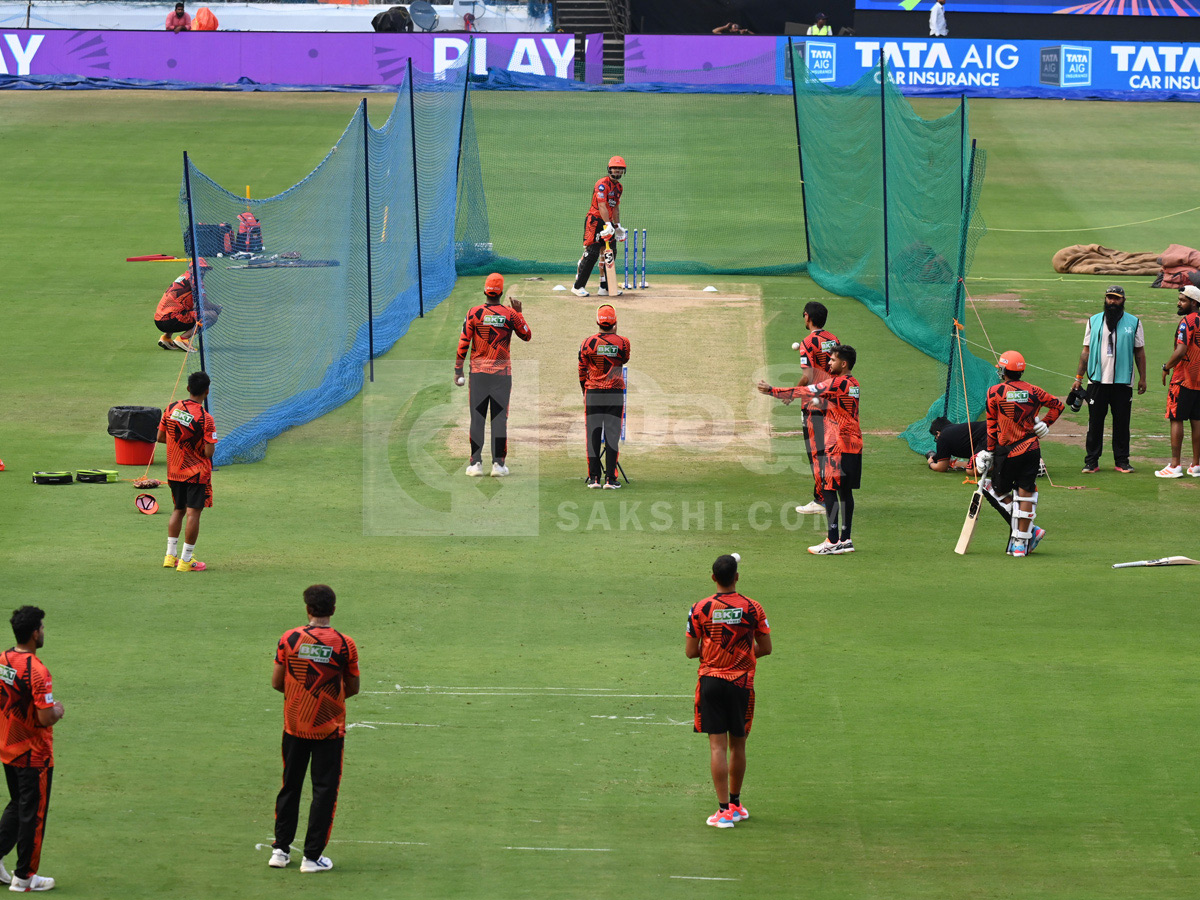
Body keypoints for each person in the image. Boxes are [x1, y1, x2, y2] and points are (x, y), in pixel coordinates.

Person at [269, 585, 359, 874]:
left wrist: (300, 697)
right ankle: (312, 857)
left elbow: (276, 682)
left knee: (290, 786)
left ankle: (280, 850)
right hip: (329, 730)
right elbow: (353, 687)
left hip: (294, 726)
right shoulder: (345, 644)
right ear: (333, 609)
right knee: (324, 791)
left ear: (307, 608)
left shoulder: (289, 638)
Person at [686, 554, 770, 829]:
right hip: (742, 684)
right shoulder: (753, 607)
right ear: (736, 577)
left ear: (713, 578)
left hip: (711, 682)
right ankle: (735, 804)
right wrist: (743, 656)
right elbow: (766, 647)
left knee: (717, 747)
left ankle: (723, 811)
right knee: (739, 744)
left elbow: (690, 652)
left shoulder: (700, 608)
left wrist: (714, 654)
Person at [759, 343, 861, 555]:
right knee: (845, 491)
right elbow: (825, 401)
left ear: (843, 363)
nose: (828, 363)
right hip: (854, 443)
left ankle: (832, 541)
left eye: (832, 360)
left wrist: (773, 391)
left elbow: (807, 389)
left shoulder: (837, 382)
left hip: (837, 445)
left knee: (829, 489)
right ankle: (846, 539)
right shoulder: (853, 384)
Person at [974, 350, 1063, 557]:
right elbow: (1057, 406)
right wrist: (1044, 424)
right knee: (1026, 492)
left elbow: (991, 426)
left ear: (1004, 370)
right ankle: (1020, 545)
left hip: (1007, 453)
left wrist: (988, 451)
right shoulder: (1034, 391)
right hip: (1031, 449)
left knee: (991, 488)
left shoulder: (994, 392)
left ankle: (1031, 531)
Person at [0, 606, 64, 893]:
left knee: (18, 806)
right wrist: (58, 710)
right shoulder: (38, 671)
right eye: (42, 627)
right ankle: (24, 877)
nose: (43, 632)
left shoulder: (3, 659)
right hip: (33, 755)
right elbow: (44, 717)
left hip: (8, 748)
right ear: (34, 632)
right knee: (33, 815)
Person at [455, 273, 532, 478]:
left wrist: (457, 370)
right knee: (499, 420)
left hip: (478, 375)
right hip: (502, 376)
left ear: (485, 290)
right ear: (501, 292)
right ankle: (498, 465)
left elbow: (464, 343)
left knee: (477, 419)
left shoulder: (474, 313)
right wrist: (519, 313)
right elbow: (526, 335)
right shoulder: (510, 314)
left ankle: (476, 464)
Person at [1072, 285, 1146, 474]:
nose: (1112, 302)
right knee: (1094, 423)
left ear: (1123, 300)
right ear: (1105, 299)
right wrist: (1078, 378)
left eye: (1116, 298)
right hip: (1097, 381)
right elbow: (1085, 351)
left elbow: (1140, 352)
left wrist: (1142, 378)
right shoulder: (1093, 321)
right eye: (1109, 298)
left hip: (1123, 383)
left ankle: (1122, 461)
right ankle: (1091, 462)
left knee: (1122, 424)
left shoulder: (1134, 323)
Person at [157, 371, 217, 573]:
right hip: (196, 473)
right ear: (206, 391)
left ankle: (170, 556)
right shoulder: (206, 419)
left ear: (188, 388)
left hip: (174, 471)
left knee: (178, 510)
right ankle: (186, 560)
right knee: (193, 513)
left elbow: (161, 437)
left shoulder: (171, 408)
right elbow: (208, 452)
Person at [791, 303, 840, 515]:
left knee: (816, 452)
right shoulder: (834, 339)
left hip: (813, 404)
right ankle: (828, 495)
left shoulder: (807, 342)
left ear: (807, 316)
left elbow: (808, 375)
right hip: (833, 401)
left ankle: (821, 500)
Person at [579, 304, 631, 489]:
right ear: (615, 322)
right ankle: (610, 479)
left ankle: (594, 478)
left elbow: (581, 369)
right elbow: (624, 359)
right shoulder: (623, 342)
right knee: (612, 435)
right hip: (614, 393)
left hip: (593, 392)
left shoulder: (586, 343)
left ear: (597, 321)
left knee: (592, 435)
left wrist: (584, 391)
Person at [1156, 285, 1200, 478]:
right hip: (1199, 380)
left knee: (1176, 418)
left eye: (1183, 300)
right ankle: (1196, 465)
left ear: (1194, 303)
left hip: (1183, 379)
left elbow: (1181, 350)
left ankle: (1175, 466)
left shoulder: (1187, 322)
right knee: (1197, 420)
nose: (1179, 303)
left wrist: (1166, 367)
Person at [571, 157, 627, 298]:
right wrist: (607, 224)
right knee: (593, 253)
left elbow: (615, 208)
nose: (617, 171)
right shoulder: (602, 184)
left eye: (620, 169)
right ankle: (578, 286)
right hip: (595, 221)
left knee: (611, 253)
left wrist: (617, 225)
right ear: (609, 169)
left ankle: (606, 287)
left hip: (608, 222)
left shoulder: (619, 187)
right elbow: (602, 206)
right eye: (615, 168)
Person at [153, 260, 216, 352]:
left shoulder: (183, 277)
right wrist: (216, 308)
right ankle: (183, 339)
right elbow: (204, 303)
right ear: (192, 269)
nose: (202, 272)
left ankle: (166, 338)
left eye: (204, 269)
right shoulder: (196, 280)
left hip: (159, 320)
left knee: (183, 309)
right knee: (212, 316)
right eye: (200, 269)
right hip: (170, 321)